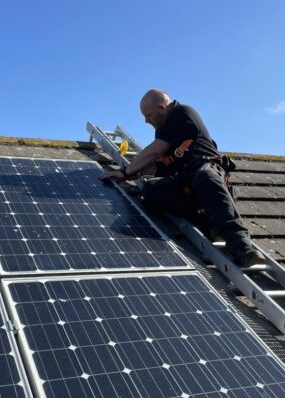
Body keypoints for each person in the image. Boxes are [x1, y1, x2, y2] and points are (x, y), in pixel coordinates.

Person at [99, 89, 265, 267]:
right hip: (183, 182)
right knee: (151, 191)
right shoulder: (163, 131)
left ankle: (241, 247)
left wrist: (125, 172)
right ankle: (210, 225)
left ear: (163, 107)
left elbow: (156, 150)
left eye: (148, 115)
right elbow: (160, 166)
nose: (146, 121)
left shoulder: (182, 113)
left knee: (204, 176)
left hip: (205, 172)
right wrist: (135, 172)